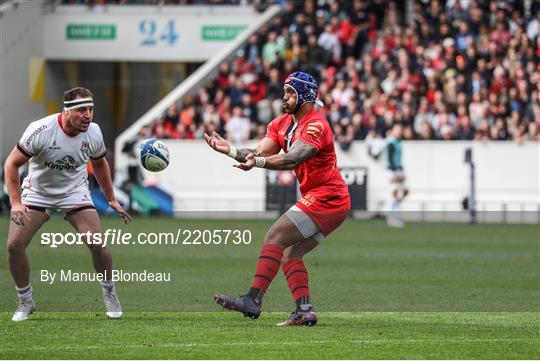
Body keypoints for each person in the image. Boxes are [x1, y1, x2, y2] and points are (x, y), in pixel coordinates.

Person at [204, 72, 350, 326]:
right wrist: (231, 151)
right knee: (291, 254)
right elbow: (258, 152)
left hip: (329, 196)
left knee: (275, 236)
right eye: (285, 91)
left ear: (306, 96)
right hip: (325, 198)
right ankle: (304, 310)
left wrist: (257, 162)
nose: (285, 97)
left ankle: (253, 299)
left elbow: (293, 157)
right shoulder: (281, 124)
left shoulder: (316, 125)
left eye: (290, 92)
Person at [4, 87, 132, 322]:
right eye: (82, 110)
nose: (88, 115)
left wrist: (111, 198)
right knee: (14, 245)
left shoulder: (93, 132)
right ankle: (25, 300)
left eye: (91, 109)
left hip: (75, 192)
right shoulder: (40, 130)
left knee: (98, 245)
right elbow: (11, 164)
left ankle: (109, 292)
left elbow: (100, 163)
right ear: (67, 111)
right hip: (38, 193)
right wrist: (15, 203)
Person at [370, 123, 409, 227]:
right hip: (393, 170)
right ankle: (391, 219)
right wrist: (395, 171)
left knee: (404, 192)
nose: (400, 131)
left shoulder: (397, 141)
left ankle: (387, 207)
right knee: (395, 193)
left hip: (398, 169)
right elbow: (388, 157)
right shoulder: (390, 141)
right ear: (392, 131)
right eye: (397, 129)